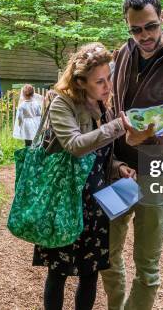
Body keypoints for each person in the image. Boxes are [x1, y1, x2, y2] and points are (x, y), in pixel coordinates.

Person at [102, 0, 163, 310]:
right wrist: (113, 161)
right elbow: (113, 108)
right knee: (108, 252)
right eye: (136, 29)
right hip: (120, 173)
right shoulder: (124, 52)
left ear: (162, 18)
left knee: (147, 266)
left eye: (151, 27)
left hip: (156, 173)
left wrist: (151, 140)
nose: (144, 36)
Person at [33, 42, 140, 310]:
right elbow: (76, 145)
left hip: (96, 202)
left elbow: (101, 153)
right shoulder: (62, 103)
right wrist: (117, 126)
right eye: (99, 82)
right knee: (58, 272)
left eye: (108, 79)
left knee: (90, 272)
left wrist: (117, 167)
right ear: (80, 81)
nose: (107, 86)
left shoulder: (102, 105)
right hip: (66, 202)